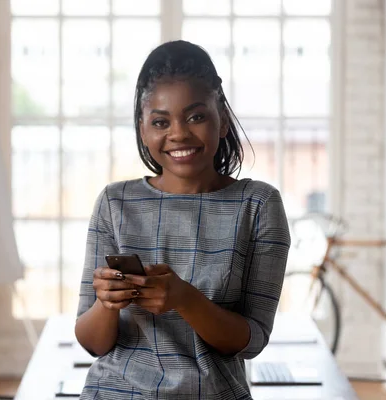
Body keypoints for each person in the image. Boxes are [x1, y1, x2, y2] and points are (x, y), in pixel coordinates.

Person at [74, 40, 290, 400]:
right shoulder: (115, 202)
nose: (178, 134)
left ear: (222, 120)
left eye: (196, 116)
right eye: (161, 122)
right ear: (143, 130)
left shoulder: (258, 204)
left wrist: (186, 300)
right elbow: (93, 343)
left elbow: (252, 340)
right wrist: (105, 304)